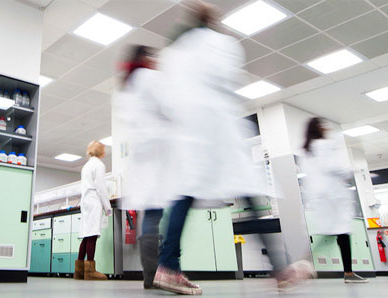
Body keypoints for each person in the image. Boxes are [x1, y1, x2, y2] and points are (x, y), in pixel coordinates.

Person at [151, 2, 277, 294]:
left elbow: (166, 99)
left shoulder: (175, 53)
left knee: (184, 196)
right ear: (212, 20)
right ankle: (280, 268)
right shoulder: (223, 44)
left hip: (190, 137)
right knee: (247, 192)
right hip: (216, 133)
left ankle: (168, 266)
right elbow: (228, 81)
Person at [113, 45, 172, 289]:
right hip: (155, 155)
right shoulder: (148, 78)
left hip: (142, 158)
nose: (155, 60)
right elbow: (168, 108)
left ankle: (151, 275)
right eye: (152, 56)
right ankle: (157, 273)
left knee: (151, 216)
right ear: (144, 58)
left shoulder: (126, 86)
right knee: (155, 215)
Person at [299, 117, 368, 284]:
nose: (326, 127)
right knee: (341, 231)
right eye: (323, 125)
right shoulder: (322, 145)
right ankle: (303, 265)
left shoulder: (306, 150)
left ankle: (346, 272)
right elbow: (330, 167)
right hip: (332, 196)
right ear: (317, 128)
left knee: (334, 232)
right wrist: (349, 171)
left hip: (320, 197)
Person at [75, 140, 111, 281]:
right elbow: (101, 187)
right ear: (101, 151)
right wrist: (107, 207)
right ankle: (90, 271)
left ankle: (79, 271)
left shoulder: (87, 165)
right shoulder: (99, 165)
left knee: (86, 235)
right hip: (94, 201)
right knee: (93, 235)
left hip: (85, 201)